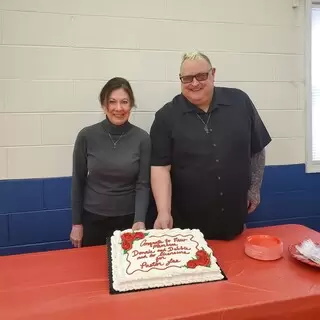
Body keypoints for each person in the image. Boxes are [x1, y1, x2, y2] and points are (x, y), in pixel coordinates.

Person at [149, 51, 271, 240]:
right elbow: (160, 168)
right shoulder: (166, 117)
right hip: (188, 229)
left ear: (213, 73)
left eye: (201, 76)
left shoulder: (240, 102)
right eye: (187, 78)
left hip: (235, 220)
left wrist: (254, 189)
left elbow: (257, 149)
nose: (195, 83)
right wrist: (163, 211)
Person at [70, 77, 151, 248]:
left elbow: (143, 184)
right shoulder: (86, 136)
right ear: (103, 105)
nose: (118, 108)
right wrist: (76, 224)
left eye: (124, 102)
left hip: (129, 222)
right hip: (93, 220)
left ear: (131, 105)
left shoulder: (142, 139)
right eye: (112, 102)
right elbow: (78, 181)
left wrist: (139, 220)